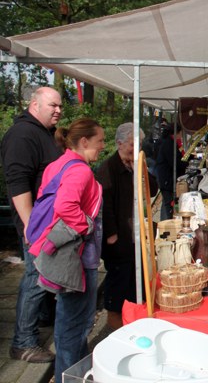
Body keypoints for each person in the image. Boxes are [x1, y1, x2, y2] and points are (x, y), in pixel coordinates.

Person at [28, 118, 105, 382]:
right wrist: (86, 226)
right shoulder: (80, 170)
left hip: (63, 254)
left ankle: (78, 375)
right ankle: (68, 377)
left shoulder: (56, 165)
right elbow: (65, 206)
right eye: (100, 141)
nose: (102, 147)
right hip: (78, 257)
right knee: (74, 324)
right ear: (84, 142)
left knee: (70, 321)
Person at [1, 87, 63, 363]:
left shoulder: (43, 132)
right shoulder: (22, 135)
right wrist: (30, 224)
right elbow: (17, 184)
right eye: (53, 105)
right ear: (34, 104)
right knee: (35, 278)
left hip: (46, 220)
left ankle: (42, 321)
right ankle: (23, 342)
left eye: (60, 105)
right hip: (35, 223)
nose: (59, 110)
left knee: (44, 275)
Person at [96, 122, 158, 330]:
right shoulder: (108, 168)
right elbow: (105, 205)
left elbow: (153, 188)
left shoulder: (135, 165)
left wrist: (141, 170)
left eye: (138, 144)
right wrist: (112, 235)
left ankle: (133, 325)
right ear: (119, 143)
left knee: (135, 285)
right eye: (132, 144)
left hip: (135, 237)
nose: (135, 148)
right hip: (118, 240)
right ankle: (114, 330)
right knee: (117, 288)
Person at [155, 124, 187, 220]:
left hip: (167, 178)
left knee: (167, 202)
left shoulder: (171, 142)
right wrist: (186, 164)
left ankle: (165, 223)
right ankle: (165, 225)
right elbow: (175, 162)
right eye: (181, 133)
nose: (181, 136)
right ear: (176, 133)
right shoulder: (169, 144)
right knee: (168, 203)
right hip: (167, 179)